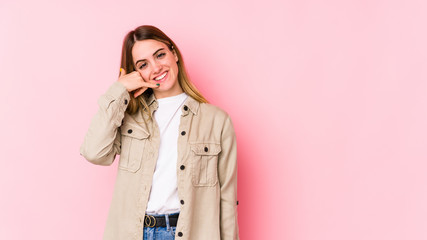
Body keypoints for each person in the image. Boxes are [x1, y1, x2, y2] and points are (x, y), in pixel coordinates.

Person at [80, 25, 239, 240]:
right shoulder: (128, 117)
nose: (156, 68)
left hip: (190, 232)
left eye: (160, 55)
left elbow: (227, 200)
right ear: (136, 73)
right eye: (143, 64)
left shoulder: (216, 120)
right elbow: (94, 152)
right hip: (134, 233)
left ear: (174, 53)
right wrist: (119, 90)